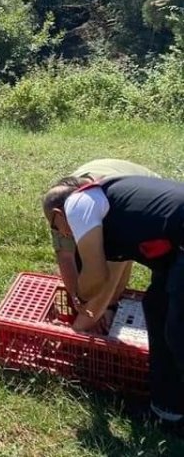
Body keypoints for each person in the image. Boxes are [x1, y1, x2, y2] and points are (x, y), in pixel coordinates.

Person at [43, 175, 184, 428]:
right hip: (175, 250)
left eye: (55, 227)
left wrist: (81, 297)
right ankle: (167, 411)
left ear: (57, 214)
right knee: (156, 308)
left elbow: (97, 274)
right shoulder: (102, 201)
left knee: (179, 333)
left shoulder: (78, 204)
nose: (62, 234)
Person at [53, 159, 159, 326]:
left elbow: (108, 273)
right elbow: (65, 256)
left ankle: (110, 306)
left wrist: (79, 328)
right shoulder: (61, 199)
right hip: (117, 184)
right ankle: (107, 307)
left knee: (110, 260)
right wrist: (76, 297)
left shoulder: (91, 207)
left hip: (150, 196)